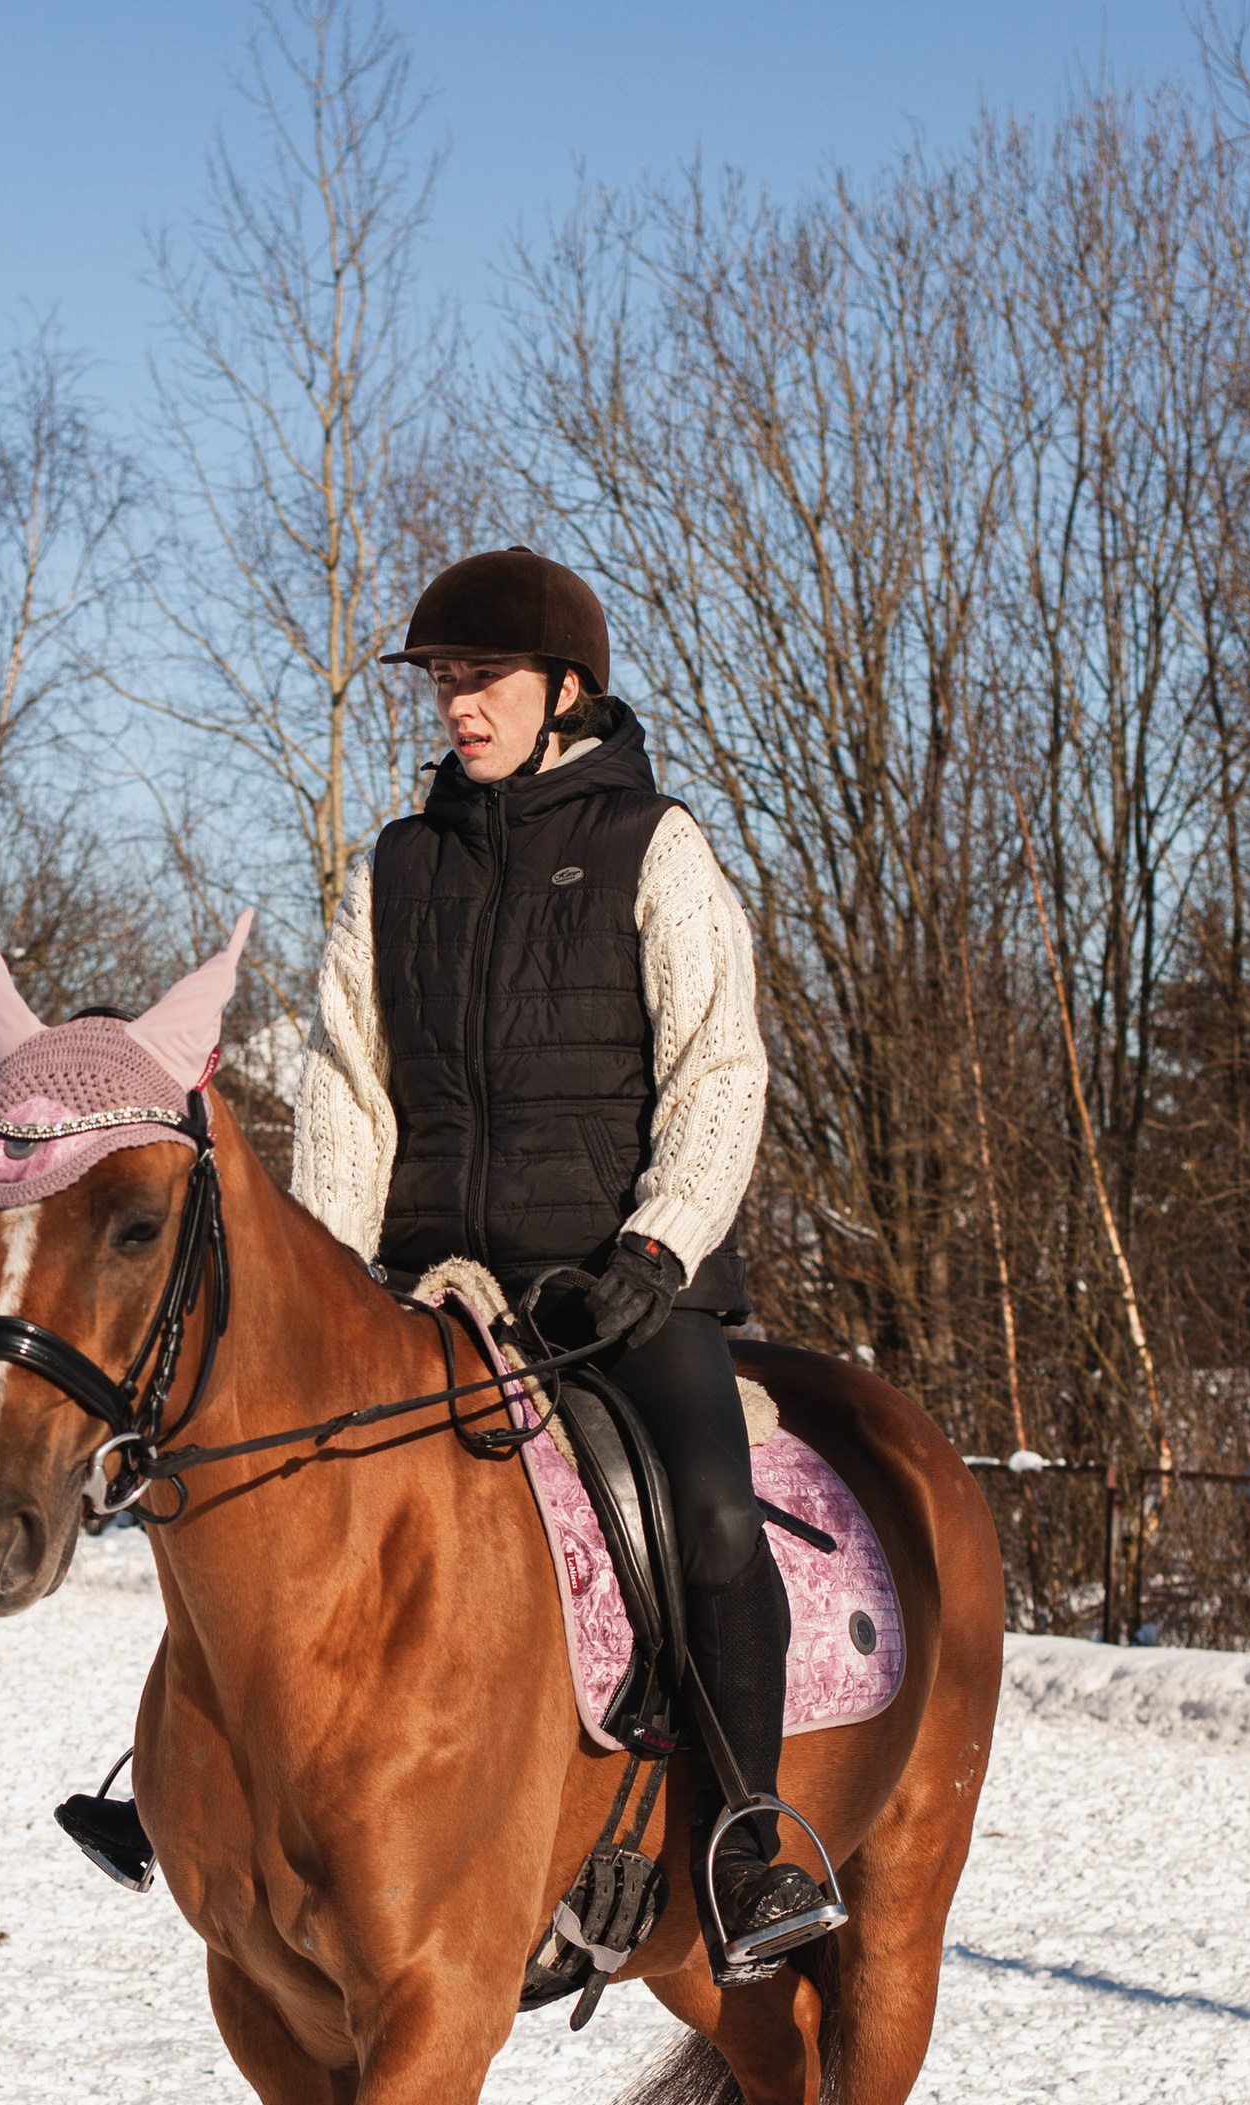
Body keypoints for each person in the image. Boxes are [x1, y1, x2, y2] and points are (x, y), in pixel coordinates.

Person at [292, 544, 833, 1972]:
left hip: (617, 1287)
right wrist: (337, 1282)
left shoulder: (659, 846)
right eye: (444, 684)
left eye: (483, 680)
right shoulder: (392, 872)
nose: (457, 705)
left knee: (715, 1521)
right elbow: (350, 1089)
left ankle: (745, 1843)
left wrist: (659, 1245)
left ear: (566, 689)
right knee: (279, 1491)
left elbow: (721, 1067)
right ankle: (196, 1790)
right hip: (433, 1290)